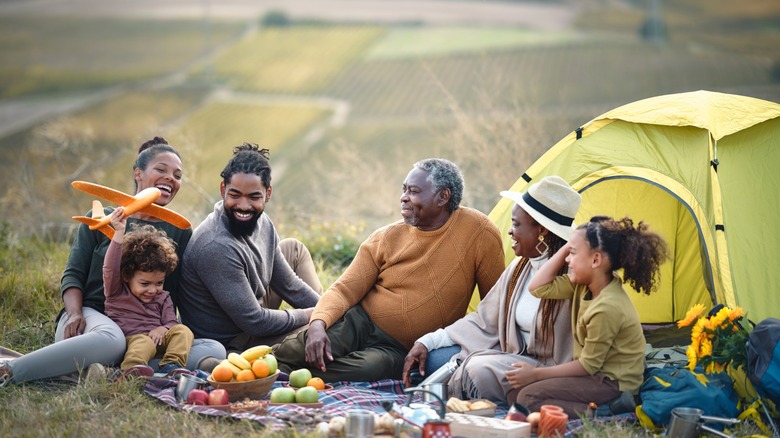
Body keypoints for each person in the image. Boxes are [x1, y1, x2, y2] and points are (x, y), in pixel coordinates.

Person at [0, 137, 225, 386]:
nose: (171, 178)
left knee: (214, 348)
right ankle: (11, 370)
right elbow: (73, 275)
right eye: (161, 170)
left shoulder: (180, 231)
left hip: (140, 333)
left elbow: (172, 292)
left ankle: (111, 371)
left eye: (177, 175)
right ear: (138, 174)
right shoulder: (101, 218)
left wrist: (175, 329)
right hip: (91, 321)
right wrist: (74, 314)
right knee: (112, 340)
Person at [273, 158, 506, 382]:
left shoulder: (479, 233)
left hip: (399, 349)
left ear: (443, 196)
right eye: (404, 190)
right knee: (300, 348)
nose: (403, 198)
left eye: (413, 192)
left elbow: (494, 303)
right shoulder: (386, 237)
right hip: (359, 322)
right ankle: (260, 366)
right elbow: (344, 289)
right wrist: (317, 324)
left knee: (368, 368)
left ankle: (289, 374)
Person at [402, 176, 581, 403]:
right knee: (436, 359)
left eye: (516, 224)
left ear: (542, 231)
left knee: (474, 370)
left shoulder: (573, 275)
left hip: (551, 368)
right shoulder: (521, 267)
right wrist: (428, 341)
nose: (509, 231)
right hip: (511, 355)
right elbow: (484, 319)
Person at [514, 215, 668, 417]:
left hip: (614, 383)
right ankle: (593, 407)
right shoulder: (583, 284)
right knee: (517, 394)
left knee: (527, 398)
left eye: (573, 253)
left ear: (595, 260)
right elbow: (538, 287)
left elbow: (588, 365)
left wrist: (535, 374)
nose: (567, 260)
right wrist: (570, 246)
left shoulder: (607, 307)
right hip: (594, 375)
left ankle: (606, 410)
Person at [177, 143, 321, 352]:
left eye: (254, 197)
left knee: (293, 250)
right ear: (223, 189)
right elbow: (255, 321)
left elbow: (288, 285)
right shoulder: (215, 245)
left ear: (267, 194)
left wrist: (329, 309)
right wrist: (311, 316)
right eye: (235, 195)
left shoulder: (264, 224)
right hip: (236, 341)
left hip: (251, 310)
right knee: (322, 337)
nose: (243, 206)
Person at [103, 208, 194, 376]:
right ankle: (129, 372)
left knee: (183, 331)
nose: (153, 290)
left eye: (159, 283)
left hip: (157, 340)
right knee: (144, 342)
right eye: (145, 283)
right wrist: (119, 232)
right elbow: (110, 268)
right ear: (126, 276)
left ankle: (171, 366)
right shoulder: (116, 291)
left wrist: (164, 328)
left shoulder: (163, 297)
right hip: (130, 341)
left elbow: (171, 322)